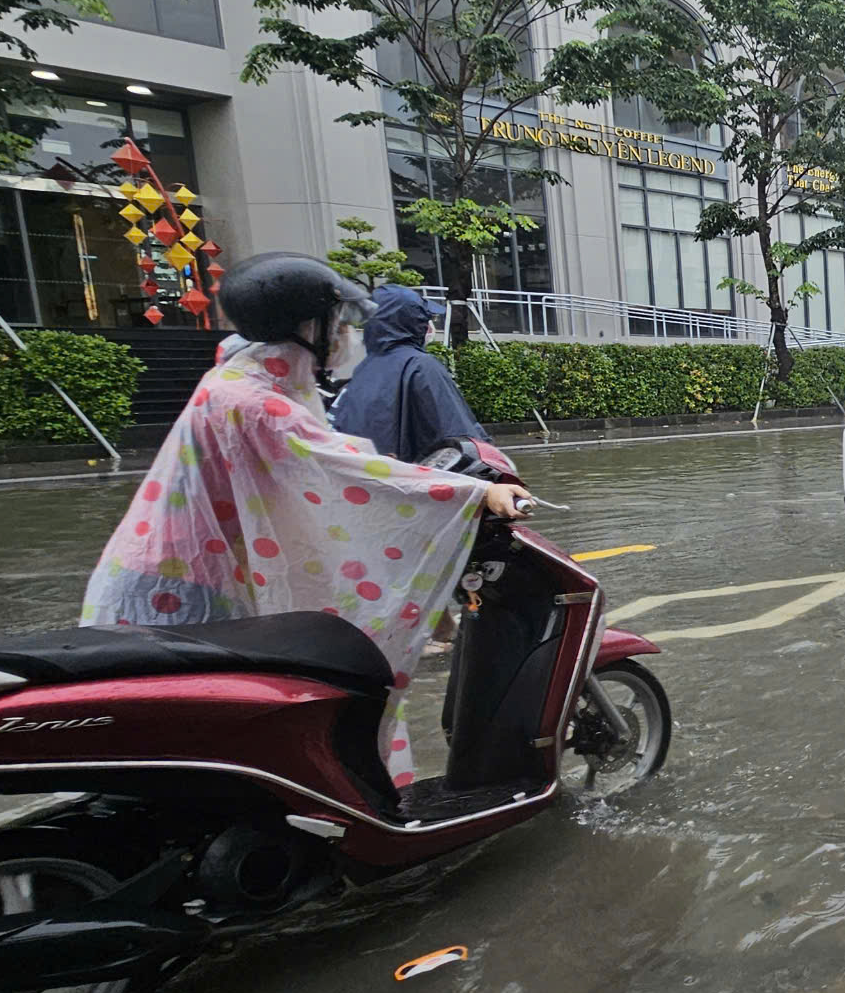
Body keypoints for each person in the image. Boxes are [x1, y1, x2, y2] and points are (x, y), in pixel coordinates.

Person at [81, 252, 530, 786]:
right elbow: (345, 466)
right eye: (336, 321)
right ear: (308, 327)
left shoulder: (240, 380)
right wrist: (478, 491)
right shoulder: (255, 401)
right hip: (188, 588)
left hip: (185, 575)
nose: (343, 335)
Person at [330, 284, 485, 463]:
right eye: (426, 317)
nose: (429, 325)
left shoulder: (363, 369)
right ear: (413, 321)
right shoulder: (420, 366)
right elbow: (462, 441)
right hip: (416, 484)